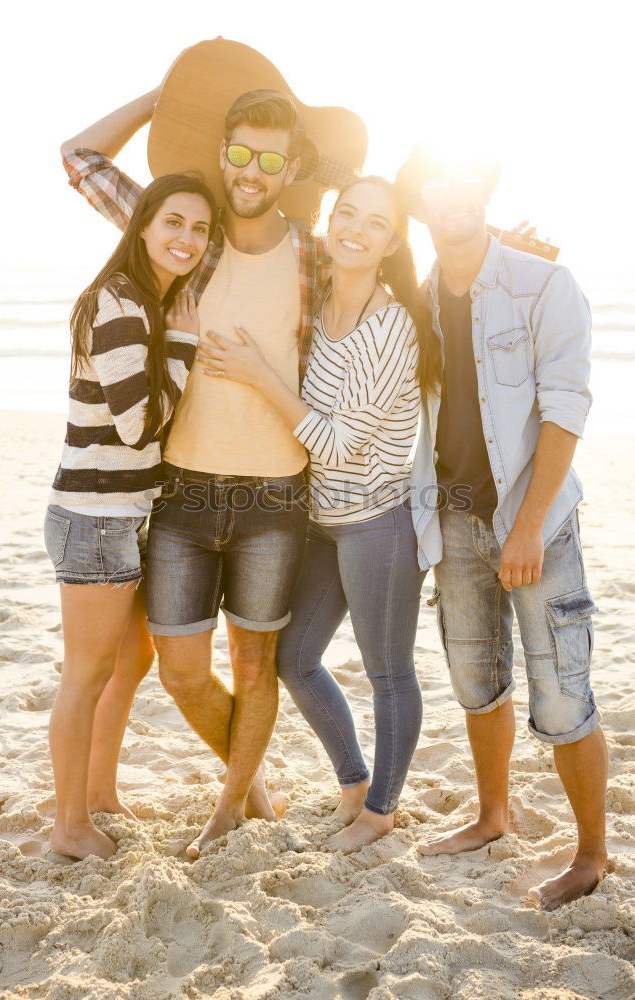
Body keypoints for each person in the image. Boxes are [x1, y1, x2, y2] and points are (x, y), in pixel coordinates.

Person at [61, 83, 330, 857]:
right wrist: (169, 91)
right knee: (181, 673)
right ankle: (255, 791)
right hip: (179, 491)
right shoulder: (191, 234)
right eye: (238, 151)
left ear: (290, 165)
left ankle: (233, 805)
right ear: (221, 152)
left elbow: (392, 266)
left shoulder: (313, 249)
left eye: (268, 158)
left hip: (278, 494)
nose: (250, 170)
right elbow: (81, 160)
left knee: (256, 666)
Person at [196, 176, 441, 852]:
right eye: (347, 214)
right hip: (320, 520)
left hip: (377, 523)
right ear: (330, 220)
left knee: (388, 669)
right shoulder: (321, 296)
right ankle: (354, 783)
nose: (356, 230)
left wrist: (255, 374)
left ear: (393, 243)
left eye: (376, 223)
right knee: (295, 660)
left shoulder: (390, 327)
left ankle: (381, 810)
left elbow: (335, 441)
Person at [398, 144, 608, 910]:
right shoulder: (411, 301)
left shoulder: (542, 283)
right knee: (476, 679)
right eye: (433, 184)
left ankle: (590, 855)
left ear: (482, 189)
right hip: (450, 523)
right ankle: (494, 815)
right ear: (417, 204)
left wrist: (524, 526)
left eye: (462, 177)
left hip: (537, 526)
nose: (450, 193)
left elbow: (566, 408)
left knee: (562, 694)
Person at [44, 174, 217, 860]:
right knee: (86, 673)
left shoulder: (149, 300)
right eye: (174, 222)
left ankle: (99, 794)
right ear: (142, 225)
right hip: (96, 516)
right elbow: (137, 427)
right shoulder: (121, 305)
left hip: (124, 513)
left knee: (130, 661)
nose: (187, 239)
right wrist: (182, 348)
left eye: (200, 229)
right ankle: (69, 826)